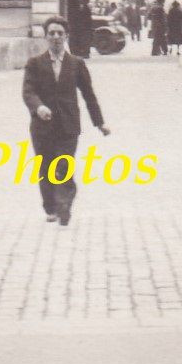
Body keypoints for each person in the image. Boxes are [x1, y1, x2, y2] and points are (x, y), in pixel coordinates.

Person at [22, 15, 110, 226]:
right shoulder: (34, 64)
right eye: (51, 33)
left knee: (63, 165)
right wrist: (39, 107)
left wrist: (99, 123)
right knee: (46, 167)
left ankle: (64, 205)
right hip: (42, 127)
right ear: (46, 37)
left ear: (66, 36)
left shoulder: (77, 64)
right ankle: (51, 207)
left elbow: (89, 95)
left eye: (60, 33)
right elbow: (28, 92)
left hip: (69, 126)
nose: (56, 37)